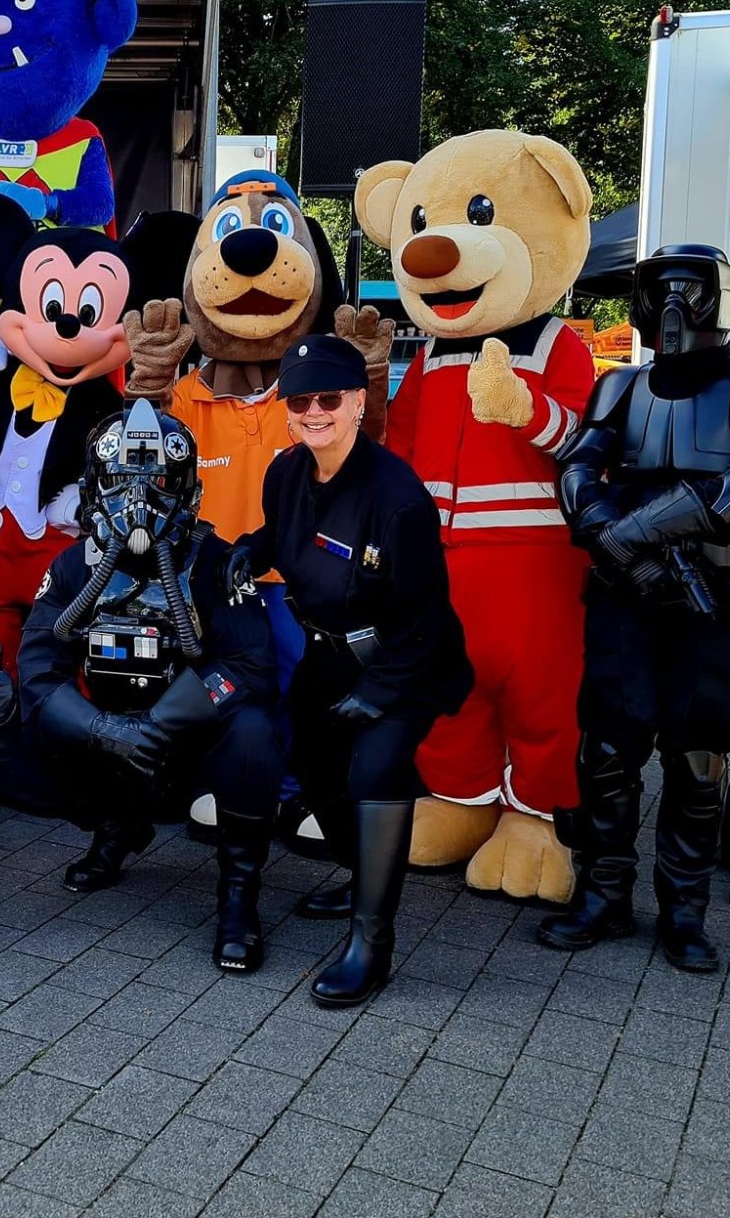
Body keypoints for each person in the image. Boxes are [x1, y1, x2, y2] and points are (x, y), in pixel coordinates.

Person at [541, 246, 730, 972]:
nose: (674, 305)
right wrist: (609, 535)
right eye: (660, 289)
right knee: (607, 748)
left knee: (698, 755)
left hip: (718, 597)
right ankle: (604, 893)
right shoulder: (620, 385)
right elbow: (578, 465)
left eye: (689, 288)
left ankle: (685, 909)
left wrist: (630, 532)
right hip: (628, 592)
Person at [0, 400, 284, 972]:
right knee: (13, 743)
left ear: (188, 491)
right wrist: (104, 729)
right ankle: (118, 826)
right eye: (120, 483)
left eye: (158, 482)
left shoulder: (216, 563)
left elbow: (252, 667)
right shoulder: (73, 567)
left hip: (188, 745)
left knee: (254, 735)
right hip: (109, 739)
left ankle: (240, 892)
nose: (138, 502)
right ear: (94, 488)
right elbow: (40, 672)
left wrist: (160, 723)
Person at [230, 335, 474, 1007]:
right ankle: (360, 875)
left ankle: (372, 943)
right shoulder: (286, 473)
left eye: (329, 399)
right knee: (313, 766)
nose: (314, 412)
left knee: (373, 772)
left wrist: (380, 691)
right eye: (299, 400)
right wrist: (248, 552)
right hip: (329, 653)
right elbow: (281, 536)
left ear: (360, 402)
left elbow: (426, 614)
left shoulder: (397, 497)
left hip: (404, 660)